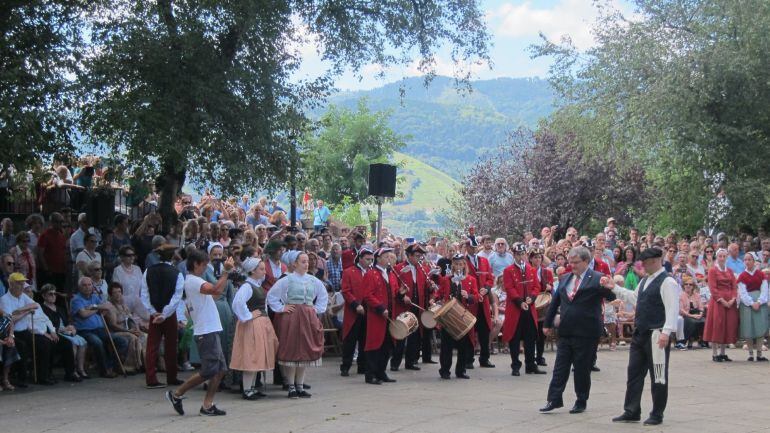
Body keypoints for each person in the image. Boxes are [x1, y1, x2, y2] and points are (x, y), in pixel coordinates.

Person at [603, 247, 679, 426]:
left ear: (654, 261)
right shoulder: (645, 281)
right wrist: (614, 288)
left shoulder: (668, 282)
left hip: (656, 333)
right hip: (641, 333)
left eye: (644, 262)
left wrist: (667, 332)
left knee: (658, 374)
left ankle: (657, 413)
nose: (642, 265)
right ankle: (631, 410)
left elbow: (672, 308)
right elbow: (634, 298)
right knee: (634, 373)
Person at [539, 247, 615, 415]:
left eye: (575, 262)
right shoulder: (565, 278)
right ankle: (554, 399)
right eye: (570, 262)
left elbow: (610, 297)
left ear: (586, 262)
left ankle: (581, 400)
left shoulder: (596, 277)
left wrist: (610, 287)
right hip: (566, 330)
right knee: (560, 367)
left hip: (586, 332)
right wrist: (547, 323)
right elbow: (555, 302)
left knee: (581, 369)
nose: (571, 265)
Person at [165, 249, 234, 417]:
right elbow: (217, 291)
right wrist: (225, 272)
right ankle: (177, 394)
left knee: (220, 370)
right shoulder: (194, 281)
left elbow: (215, 295)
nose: (205, 268)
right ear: (196, 264)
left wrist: (223, 278)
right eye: (204, 265)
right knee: (209, 371)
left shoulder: (195, 281)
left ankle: (207, 405)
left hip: (210, 329)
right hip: (206, 330)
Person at [266, 251, 328, 398]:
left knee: (305, 351)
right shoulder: (287, 280)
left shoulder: (313, 280)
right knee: (292, 350)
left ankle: (300, 385)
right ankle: (291, 386)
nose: (306, 264)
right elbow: (272, 296)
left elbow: (323, 296)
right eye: (303, 261)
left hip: (307, 317)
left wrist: (315, 309)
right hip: (292, 317)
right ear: (294, 263)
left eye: (307, 261)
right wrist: (282, 308)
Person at [230, 257, 279, 400]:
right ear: (252, 270)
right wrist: (248, 316)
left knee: (257, 356)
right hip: (252, 325)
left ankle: (251, 387)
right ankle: (247, 389)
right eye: (261, 269)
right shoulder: (247, 286)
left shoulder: (256, 285)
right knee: (251, 356)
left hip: (260, 324)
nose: (264, 272)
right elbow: (237, 303)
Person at [141, 244, 184, 388]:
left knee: (152, 346)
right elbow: (176, 297)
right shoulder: (176, 273)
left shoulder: (148, 271)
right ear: (172, 256)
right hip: (169, 314)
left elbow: (144, 294)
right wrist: (165, 314)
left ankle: (151, 378)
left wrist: (154, 312)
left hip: (155, 313)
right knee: (171, 345)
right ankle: (171, 376)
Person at [71, 276, 128, 378]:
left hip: (100, 329)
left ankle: (110, 366)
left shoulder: (95, 297)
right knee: (98, 343)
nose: (87, 287)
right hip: (85, 331)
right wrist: (97, 309)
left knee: (122, 341)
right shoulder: (76, 299)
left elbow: (108, 307)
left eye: (89, 285)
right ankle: (104, 371)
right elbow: (83, 314)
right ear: (79, 287)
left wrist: (92, 308)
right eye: (84, 285)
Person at [391, 243, 434, 371]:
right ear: (409, 255)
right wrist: (402, 296)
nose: (419, 258)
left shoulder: (422, 269)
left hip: (417, 305)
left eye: (420, 256)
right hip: (403, 307)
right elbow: (394, 287)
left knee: (414, 336)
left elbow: (426, 288)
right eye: (416, 256)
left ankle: (411, 361)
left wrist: (431, 288)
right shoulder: (398, 268)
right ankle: (395, 363)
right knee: (401, 335)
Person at [502, 243, 543, 376]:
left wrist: (532, 297)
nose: (521, 257)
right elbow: (509, 288)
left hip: (529, 309)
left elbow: (537, 286)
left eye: (523, 254)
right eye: (518, 254)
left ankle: (530, 365)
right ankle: (515, 365)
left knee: (530, 338)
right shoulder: (508, 270)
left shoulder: (531, 269)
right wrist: (520, 302)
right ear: (514, 255)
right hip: (516, 308)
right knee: (515, 337)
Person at [435, 254, 477, 379]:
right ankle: (445, 371)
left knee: (463, 346)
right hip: (448, 316)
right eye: (456, 264)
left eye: (461, 264)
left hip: (463, 316)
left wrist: (468, 296)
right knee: (446, 346)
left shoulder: (471, 280)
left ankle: (461, 371)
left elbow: (476, 297)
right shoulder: (446, 279)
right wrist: (435, 300)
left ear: (464, 265)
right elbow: (439, 293)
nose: (458, 266)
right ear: (452, 265)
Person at [362, 248, 399, 385]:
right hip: (377, 316)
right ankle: (370, 374)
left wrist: (401, 293)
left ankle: (381, 371)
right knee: (374, 345)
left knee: (387, 345)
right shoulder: (371, 274)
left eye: (390, 257)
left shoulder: (391, 274)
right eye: (386, 256)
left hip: (390, 315)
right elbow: (367, 295)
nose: (389, 259)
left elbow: (394, 292)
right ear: (378, 258)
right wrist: (380, 308)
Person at [40, 284, 87, 380]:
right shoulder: (42, 309)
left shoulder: (60, 308)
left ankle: (80, 369)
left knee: (83, 342)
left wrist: (71, 327)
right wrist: (62, 329)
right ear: (44, 296)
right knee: (71, 343)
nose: (53, 296)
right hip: (54, 332)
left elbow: (67, 322)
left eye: (55, 294)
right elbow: (45, 326)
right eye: (50, 294)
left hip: (65, 331)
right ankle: (71, 371)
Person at [339, 248, 373, 377]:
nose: (370, 262)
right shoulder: (349, 272)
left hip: (368, 311)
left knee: (365, 339)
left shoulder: (372, 272)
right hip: (354, 311)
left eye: (371, 259)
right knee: (350, 340)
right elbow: (346, 291)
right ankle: (345, 366)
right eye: (367, 259)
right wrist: (355, 304)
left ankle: (362, 366)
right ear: (360, 258)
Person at [463, 240, 495, 369]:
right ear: (467, 247)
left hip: (484, 301)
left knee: (485, 331)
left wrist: (487, 288)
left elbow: (490, 277)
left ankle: (484, 358)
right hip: (471, 302)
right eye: (471, 246)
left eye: (475, 246)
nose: (474, 249)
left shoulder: (484, 261)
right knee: (470, 331)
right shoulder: (463, 261)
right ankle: (468, 359)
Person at [703, 248, 739, 362]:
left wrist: (733, 298)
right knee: (717, 326)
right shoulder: (712, 271)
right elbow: (713, 288)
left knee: (727, 326)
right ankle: (714, 353)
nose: (722, 258)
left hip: (730, 301)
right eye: (720, 256)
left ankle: (723, 353)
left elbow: (734, 286)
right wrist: (722, 301)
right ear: (717, 257)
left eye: (724, 256)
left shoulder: (729, 271)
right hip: (718, 302)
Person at [104, 282, 146, 374]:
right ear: (110, 295)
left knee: (143, 336)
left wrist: (136, 329)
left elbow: (131, 320)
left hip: (127, 330)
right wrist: (128, 331)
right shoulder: (110, 307)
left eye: (119, 292)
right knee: (132, 337)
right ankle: (129, 366)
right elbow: (113, 325)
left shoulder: (124, 306)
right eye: (115, 292)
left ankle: (143, 364)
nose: (118, 294)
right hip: (115, 332)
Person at [737, 252, 768, 361]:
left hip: (760, 303)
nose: (747, 262)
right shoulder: (742, 276)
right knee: (748, 327)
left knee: (760, 326)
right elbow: (742, 292)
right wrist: (751, 303)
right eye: (745, 260)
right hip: (747, 305)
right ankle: (750, 354)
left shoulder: (761, 274)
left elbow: (764, 290)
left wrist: (759, 302)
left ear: (754, 261)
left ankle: (759, 354)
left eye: (749, 259)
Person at [529, 247, 553, 366]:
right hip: (531, 303)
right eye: (535, 257)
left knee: (541, 332)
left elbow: (551, 287)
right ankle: (531, 356)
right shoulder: (527, 270)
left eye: (539, 257)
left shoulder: (546, 272)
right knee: (531, 332)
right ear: (531, 259)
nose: (538, 259)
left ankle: (540, 356)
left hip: (543, 304)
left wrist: (550, 287)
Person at [678, 275, 705, 349]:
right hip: (685, 315)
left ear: (693, 286)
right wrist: (692, 316)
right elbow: (681, 310)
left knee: (704, 322)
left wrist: (700, 314)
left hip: (696, 314)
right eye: (686, 284)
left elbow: (701, 307)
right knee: (692, 322)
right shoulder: (681, 296)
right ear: (683, 286)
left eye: (690, 284)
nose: (688, 286)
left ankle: (701, 341)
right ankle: (684, 341)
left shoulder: (697, 295)